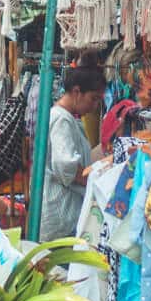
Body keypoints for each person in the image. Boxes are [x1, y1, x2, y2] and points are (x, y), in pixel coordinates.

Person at [38, 68, 105, 243]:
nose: (94, 106)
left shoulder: (64, 117)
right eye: (93, 98)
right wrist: (101, 180)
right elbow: (66, 166)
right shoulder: (61, 119)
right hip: (61, 215)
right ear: (77, 92)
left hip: (62, 214)